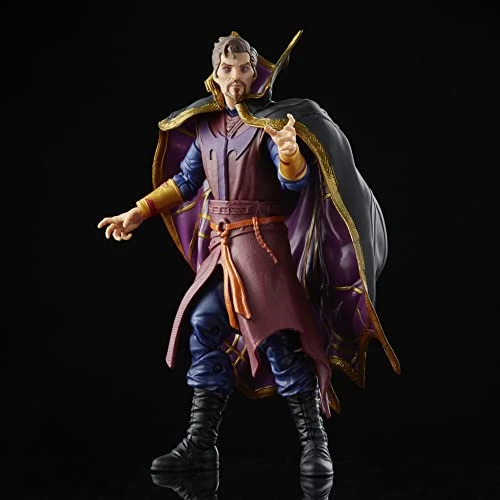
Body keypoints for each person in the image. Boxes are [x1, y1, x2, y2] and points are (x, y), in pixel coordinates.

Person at [97, 30, 401, 478]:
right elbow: (185, 183)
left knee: (278, 341)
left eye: (243, 68)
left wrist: (290, 153)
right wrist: (138, 212)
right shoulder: (205, 130)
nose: (236, 75)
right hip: (221, 250)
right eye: (227, 68)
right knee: (204, 325)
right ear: (215, 76)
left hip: (262, 249)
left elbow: (293, 184)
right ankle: (200, 445)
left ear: (255, 74)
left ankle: (315, 445)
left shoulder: (269, 127)